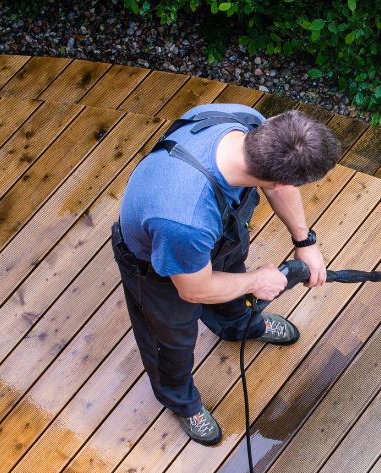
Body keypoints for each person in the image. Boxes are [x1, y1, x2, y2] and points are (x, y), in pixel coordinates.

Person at [111, 103, 341, 445]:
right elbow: (195, 289)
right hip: (160, 271)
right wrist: (256, 282)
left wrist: (304, 241)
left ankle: (238, 326)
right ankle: (180, 401)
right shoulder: (185, 218)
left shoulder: (251, 124)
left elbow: (279, 187)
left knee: (235, 287)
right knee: (170, 343)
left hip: (218, 240)